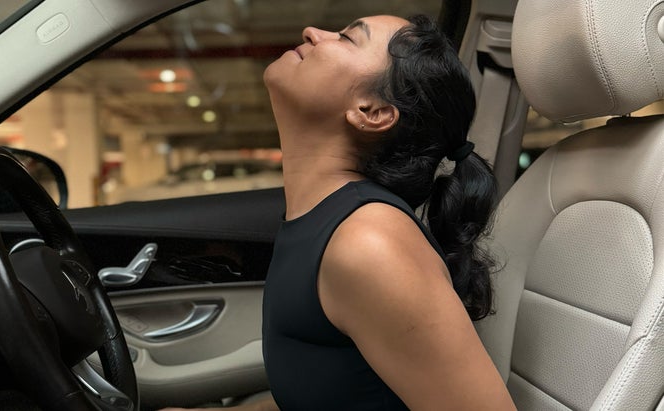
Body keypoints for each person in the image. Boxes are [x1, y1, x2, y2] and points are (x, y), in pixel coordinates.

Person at [163, 14, 516, 411]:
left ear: (371, 111)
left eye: (347, 38)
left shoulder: (369, 243)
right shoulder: (326, 220)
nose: (311, 32)